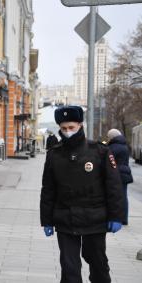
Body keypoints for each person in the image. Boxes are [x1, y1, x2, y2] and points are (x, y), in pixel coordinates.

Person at [40, 106, 124, 283]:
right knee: (70, 269)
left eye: (71, 127)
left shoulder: (100, 152)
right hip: (65, 219)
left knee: (98, 264)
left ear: (80, 125)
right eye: (63, 128)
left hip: (95, 219)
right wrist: (46, 220)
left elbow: (114, 186)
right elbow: (48, 189)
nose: (68, 132)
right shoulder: (54, 154)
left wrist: (117, 216)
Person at [107, 128, 133, 225]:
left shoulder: (114, 147)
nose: (108, 139)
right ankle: (124, 218)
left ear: (112, 137)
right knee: (124, 196)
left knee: (119, 196)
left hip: (118, 173)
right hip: (125, 173)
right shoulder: (123, 145)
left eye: (108, 137)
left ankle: (122, 219)